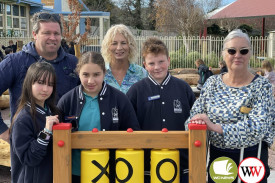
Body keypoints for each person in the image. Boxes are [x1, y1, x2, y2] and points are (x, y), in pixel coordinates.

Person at [185, 29, 275, 183]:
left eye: (243, 51)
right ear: (223, 53)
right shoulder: (212, 83)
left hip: (251, 160)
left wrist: (215, 127)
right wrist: (194, 124)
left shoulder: (262, 86)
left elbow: (259, 127)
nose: (237, 55)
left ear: (250, 54)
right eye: (232, 50)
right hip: (219, 160)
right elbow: (195, 116)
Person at [57, 51, 140, 183]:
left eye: (96, 75)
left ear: (104, 73)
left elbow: (133, 133)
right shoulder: (67, 101)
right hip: (74, 172)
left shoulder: (120, 99)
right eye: (85, 75)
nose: (91, 81)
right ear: (78, 73)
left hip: (110, 171)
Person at [0, 12, 79, 143]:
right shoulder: (14, 62)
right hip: (27, 149)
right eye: (47, 33)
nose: (53, 38)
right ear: (35, 34)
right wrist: (3, 132)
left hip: (65, 144)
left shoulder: (73, 64)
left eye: (56, 33)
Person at [127, 37, 196, 183]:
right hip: (146, 165)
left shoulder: (184, 88)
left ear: (169, 60)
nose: (157, 67)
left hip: (181, 163)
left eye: (161, 62)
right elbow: (129, 125)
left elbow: (194, 120)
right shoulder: (136, 91)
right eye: (151, 63)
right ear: (145, 65)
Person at [10, 62, 60, 183]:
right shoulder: (23, 119)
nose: (45, 89)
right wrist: (46, 132)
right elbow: (29, 158)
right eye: (40, 82)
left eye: (50, 84)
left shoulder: (52, 111)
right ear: (29, 83)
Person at [101, 24, 147, 93]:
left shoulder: (141, 73)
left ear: (130, 46)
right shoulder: (100, 73)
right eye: (114, 43)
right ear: (107, 47)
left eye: (123, 43)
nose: (119, 48)